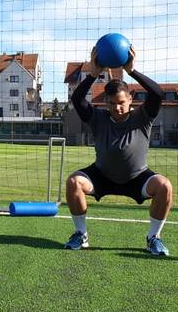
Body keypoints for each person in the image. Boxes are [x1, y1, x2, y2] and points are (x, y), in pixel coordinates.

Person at [65, 45, 172, 256]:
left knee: (164, 186)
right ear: (106, 102)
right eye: (112, 103)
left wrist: (132, 71)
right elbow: (77, 100)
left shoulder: (143, 116)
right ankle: (80, 234)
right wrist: (93, 74)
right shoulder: (98, 118)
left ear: (130, 99)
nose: (117, 107)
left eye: (122, 102)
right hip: (101, 176)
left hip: (137, 177)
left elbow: (157, 93)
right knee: (73, 182)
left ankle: (154, 238)